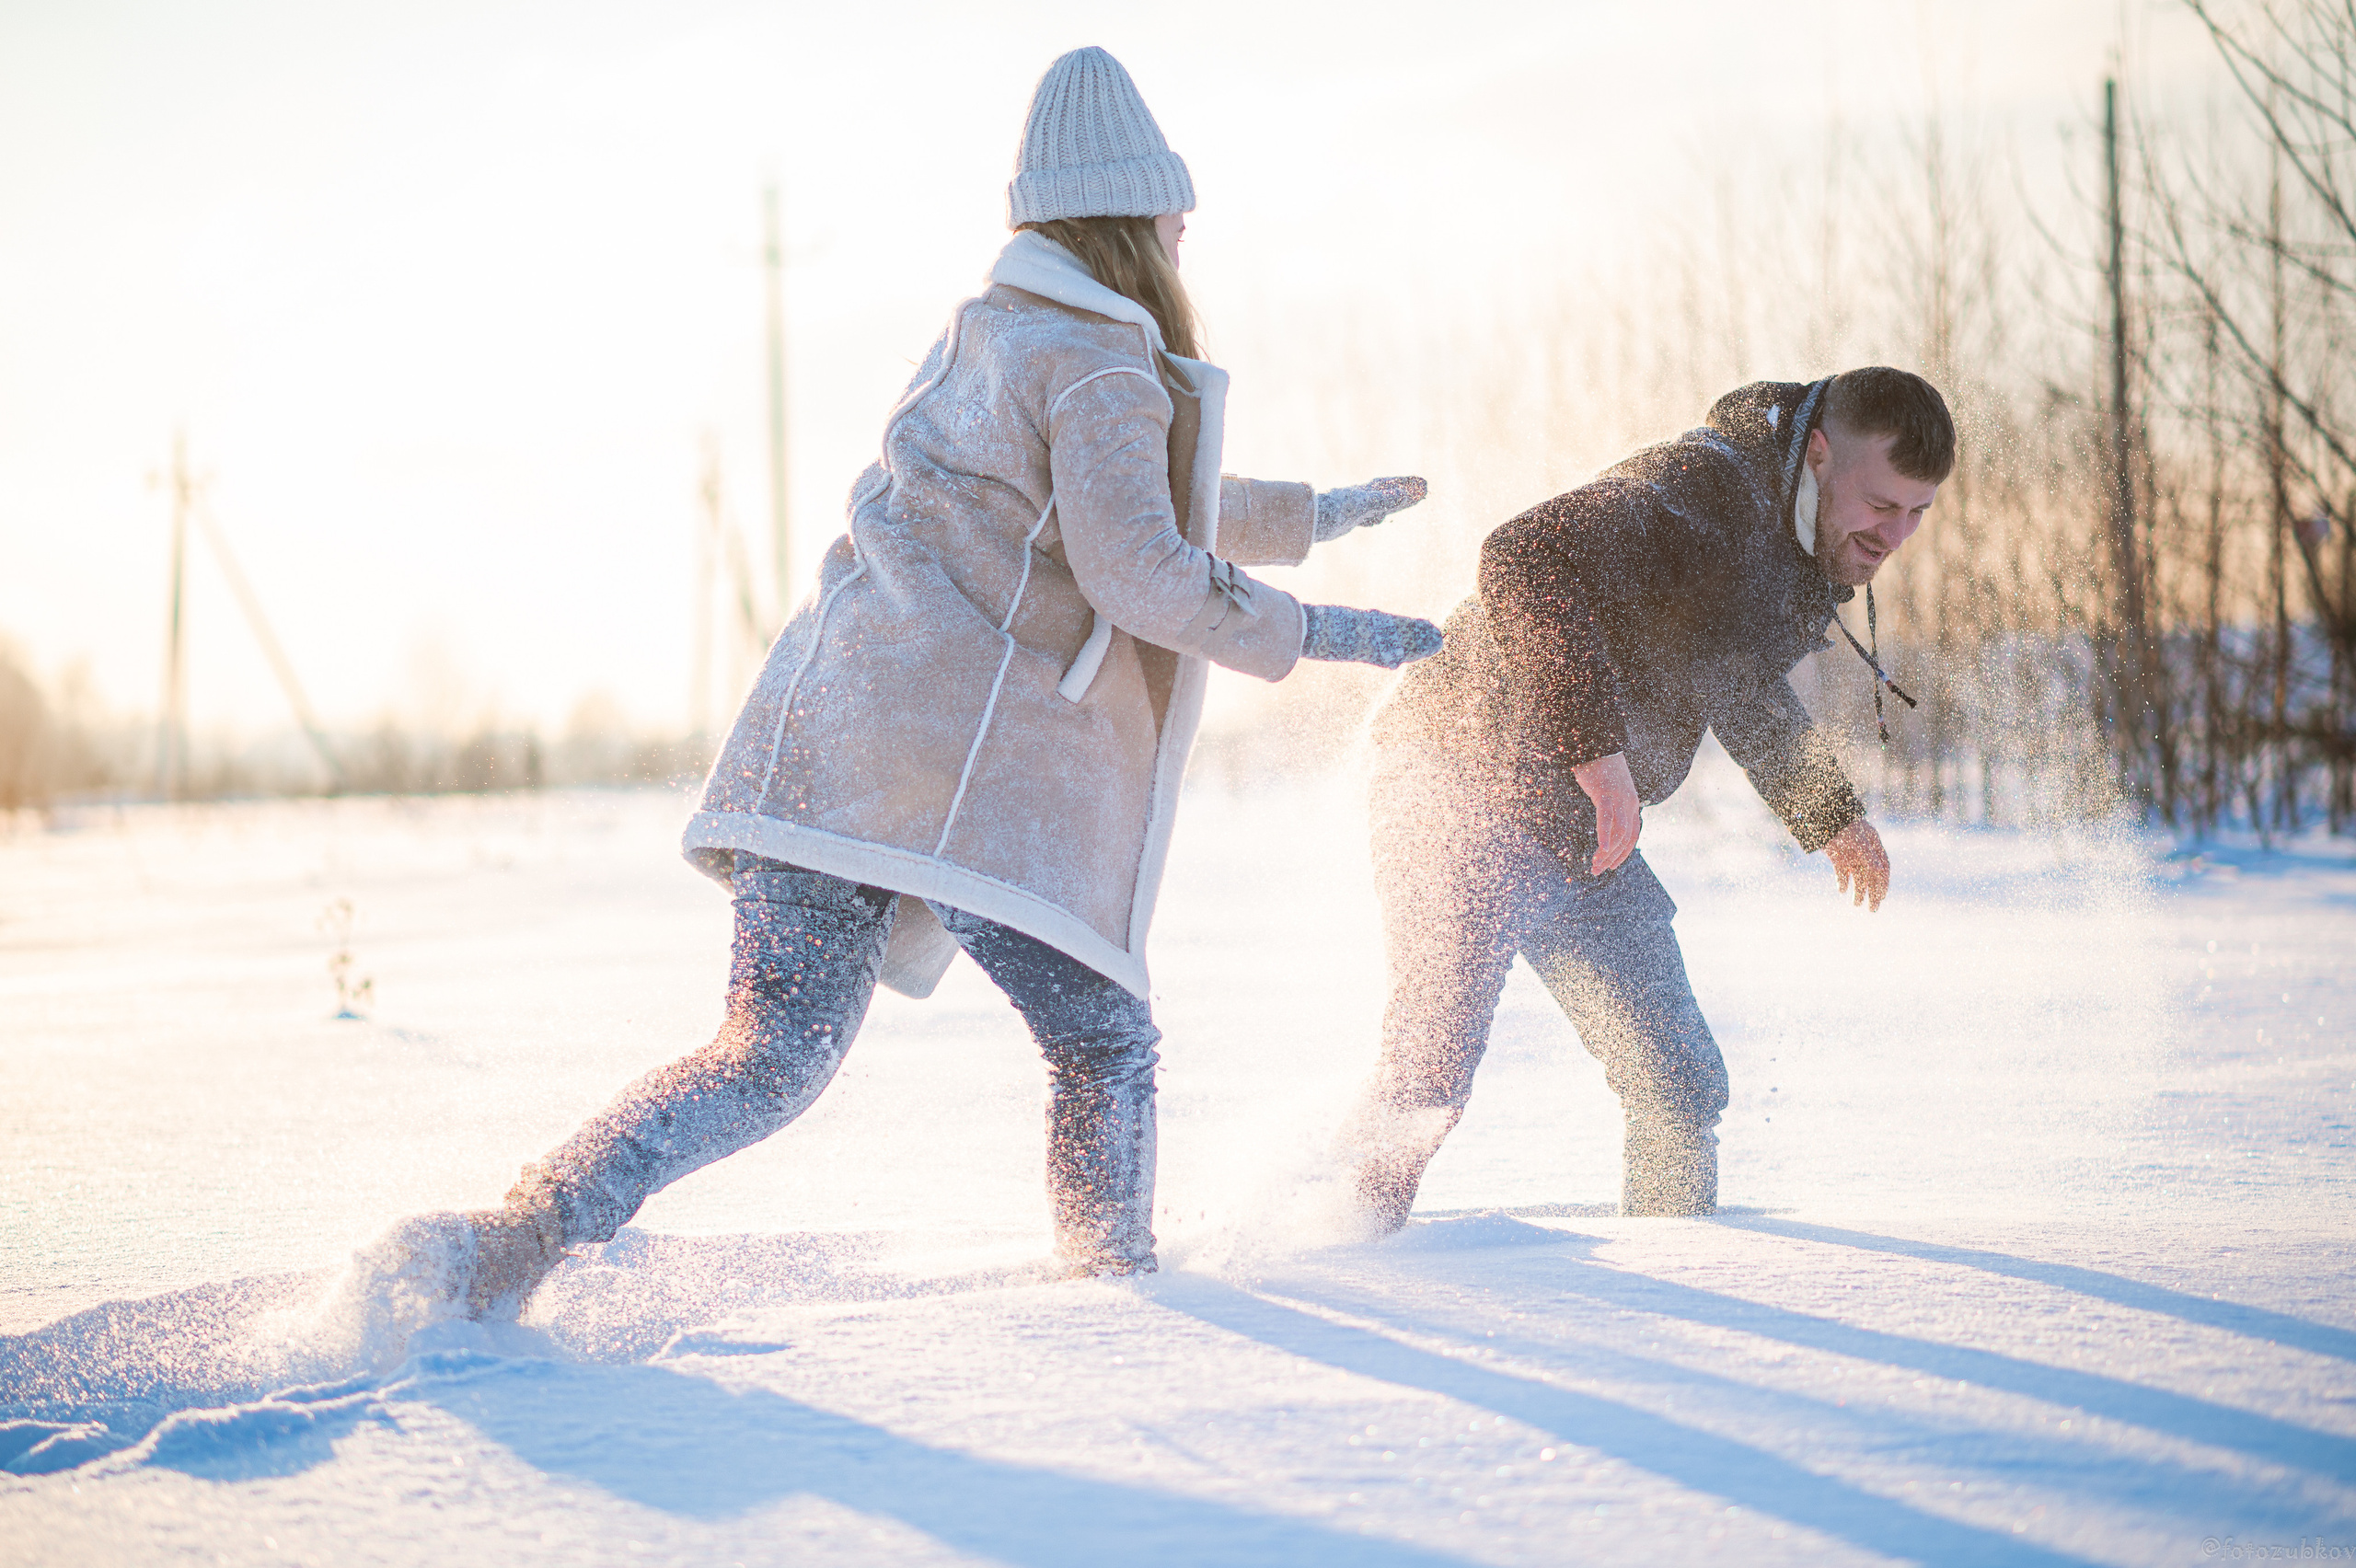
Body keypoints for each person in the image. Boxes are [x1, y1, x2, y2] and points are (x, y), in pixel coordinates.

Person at [371, 46, 1443, 1316]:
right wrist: (1326, 632)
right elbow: (1140, 566)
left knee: (764, 1059)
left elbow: (1105, 501)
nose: (1184, 231)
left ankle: (515, 1233)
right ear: (1131, 220)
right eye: (1173, 214)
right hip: (953, 779)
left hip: (825, 739)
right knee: (1102, 1045)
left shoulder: (989, 333)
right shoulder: (1099, 354)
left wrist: (1312, 510)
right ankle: (1122, 1309)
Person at [1336, 368, 1953, 1225]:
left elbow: (1738, 679)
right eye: (1882, 503)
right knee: (1427, 1080)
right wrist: (1596, 753)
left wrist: (1829, 813)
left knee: (1681, 1082)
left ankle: (1673, 1269)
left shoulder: (1790, 545)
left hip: (1581, 831)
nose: (1897, 533)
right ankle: (1333, 1253)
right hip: (1456, 781)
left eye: (1918, 511)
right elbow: (1524, 554)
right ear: (1818, 457)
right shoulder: (1704, 488)